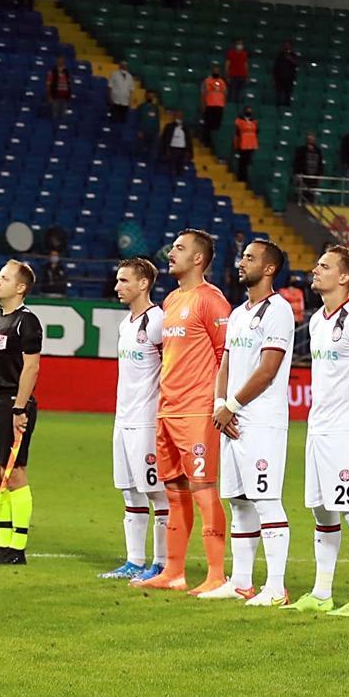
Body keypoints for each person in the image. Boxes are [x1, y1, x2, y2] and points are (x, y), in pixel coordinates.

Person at [283, 244, 349, 617]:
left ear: (343, 277)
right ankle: (322, 592)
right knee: (323, 512)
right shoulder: (319, 320)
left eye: (323, 266)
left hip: (346, 432)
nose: (315, 270)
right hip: (319, 429)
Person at [132, 229, 231, 593]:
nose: (170, 252)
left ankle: (216, 574)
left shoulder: (212, 301)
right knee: (174, 492)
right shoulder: (172, 299)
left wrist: (220, 403)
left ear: (199, 259)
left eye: (179, 248)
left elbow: (227, 355)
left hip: (197, 412)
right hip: (168, 410)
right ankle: (174, 572)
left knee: (204, 491)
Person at [203, 238, 295, 603]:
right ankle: (241, 582)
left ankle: (276, 587)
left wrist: (233, 406)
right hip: (232, 420)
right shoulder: (240, 314)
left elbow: (269, 369)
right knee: (239, 502)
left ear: (269, 268)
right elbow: (225, 363)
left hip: (261, 421)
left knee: (266, 500)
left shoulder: (279, 311)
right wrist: (220, 405)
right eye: (242, 256)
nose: (241, 263)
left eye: (250, 258)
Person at [0, 260, 44, 563]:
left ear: (21, 287)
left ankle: (17, 548)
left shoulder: (26, 322)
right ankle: (2, 543)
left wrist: (20, 408)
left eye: (5, 278)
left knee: (14, 473)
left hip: (13, 404)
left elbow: (32, 367)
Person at [100, 257, 170, 579]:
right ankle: (134, 561)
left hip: (147, 420)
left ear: (143, 284)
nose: (117, 287)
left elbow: (172, 370)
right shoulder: (125, 323)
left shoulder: (158, 321)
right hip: (123, 418)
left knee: (156, 492)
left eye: (124, 281)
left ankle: (163, 562)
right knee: (129, 491)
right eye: (117, 281)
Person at [291, 132, 324, 201]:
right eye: (309, 138)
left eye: (312, 138)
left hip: (314, 177)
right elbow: (297, 163)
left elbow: (320, 164)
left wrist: (320, 174)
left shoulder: (318, 151)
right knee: (302, 194)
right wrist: (298, 173)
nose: (311, 139)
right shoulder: (300, 150)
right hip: (304, 176)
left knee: (311, 196)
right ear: (307, 139)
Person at [200, 67, 227, 143]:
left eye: (217, 71)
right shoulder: (207, 81)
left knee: (216, 126)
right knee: (208, 126)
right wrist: (203, 105)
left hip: (219, 106)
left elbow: (224, 94)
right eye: (215, 71)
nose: (216, 72)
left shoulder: (222, 82)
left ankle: (214, 142)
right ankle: (206, 142)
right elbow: (203, 94)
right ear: (212, 72)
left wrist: (223, 105)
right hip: (209, 105)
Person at [158, 110, 189, 175]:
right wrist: (165, 150)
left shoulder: (185, 127)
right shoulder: (169, 126)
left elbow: (188, 140)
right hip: (172, 149)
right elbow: (164, 139)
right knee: (172, 169)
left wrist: (189, 152)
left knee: (180, 169)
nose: (178, 118)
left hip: (182, 150)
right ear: (174, 117)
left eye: (180, 116)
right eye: (177, 116)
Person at [232, 107, 258, 180]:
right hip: (243, 143)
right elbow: (237, 132)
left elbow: (256, 131)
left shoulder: (254, 121)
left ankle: (245, 178)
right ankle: (241, 177)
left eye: (250, 110)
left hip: (252, 143)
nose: (249, 111)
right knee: (242, 161)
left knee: (247, 161)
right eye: (247, 110)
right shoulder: (239, 120)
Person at [272, 41, 297, 108]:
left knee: (287, 94)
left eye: (288, 46)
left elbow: (296, 64)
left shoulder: (293, 55)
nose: (287, 47)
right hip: (280, 78)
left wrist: (290, 59)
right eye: (286, 45)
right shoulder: (280, 55)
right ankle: (278, 106)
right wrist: (274, 79)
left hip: (289, 78)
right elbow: (276, 68)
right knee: (279, 94)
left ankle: (287, 107)